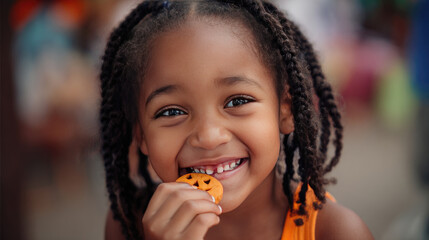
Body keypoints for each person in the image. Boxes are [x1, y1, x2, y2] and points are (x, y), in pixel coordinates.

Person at [99, 1, 374, 239]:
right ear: (141, 134)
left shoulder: (335, 233)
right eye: (171, 112)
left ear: (285, 109)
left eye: (238, 101)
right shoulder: (127, 225)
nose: (208, 136)